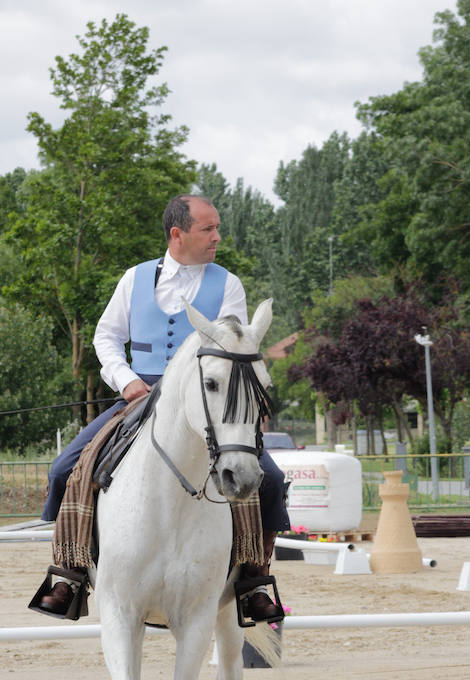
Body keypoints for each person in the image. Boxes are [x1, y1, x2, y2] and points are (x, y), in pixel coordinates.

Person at [38, 194, 290, 619]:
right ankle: (70, 573)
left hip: (205, 401)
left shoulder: (228, 284)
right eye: (208, 229)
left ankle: (253, 581)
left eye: (216, 228)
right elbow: (106, 337)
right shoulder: (134, 279)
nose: (217, 237)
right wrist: (127, 381)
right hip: (139, 394)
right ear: (178, 234)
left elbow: (232, 348)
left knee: (269, 480)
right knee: (64, 469)